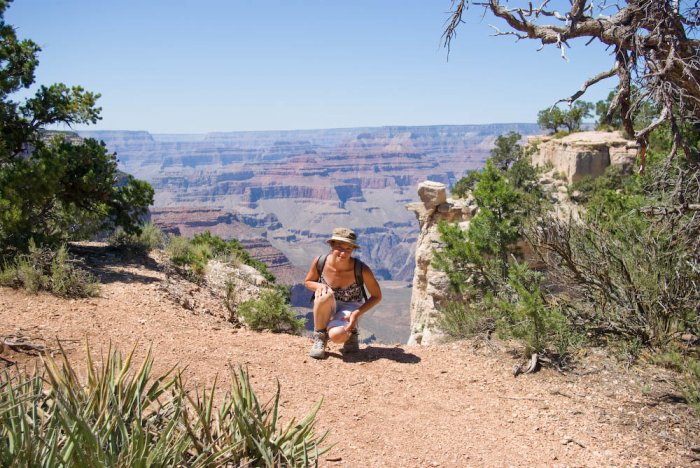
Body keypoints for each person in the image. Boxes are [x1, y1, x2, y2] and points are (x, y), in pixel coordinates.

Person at [304, 227, 382, 359]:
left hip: (350, 308)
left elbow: (377, 296)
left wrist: (356, 313)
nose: (343, 253)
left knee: (336, 336)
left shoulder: (361, 269)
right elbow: (308, 282)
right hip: (327, 304)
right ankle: (320, 338)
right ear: (332, 244)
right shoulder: (320, 262)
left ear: (353, 250)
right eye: (339, 247)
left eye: (348, 249)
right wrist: (318, 285)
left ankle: (351, 334)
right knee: (324, 295)